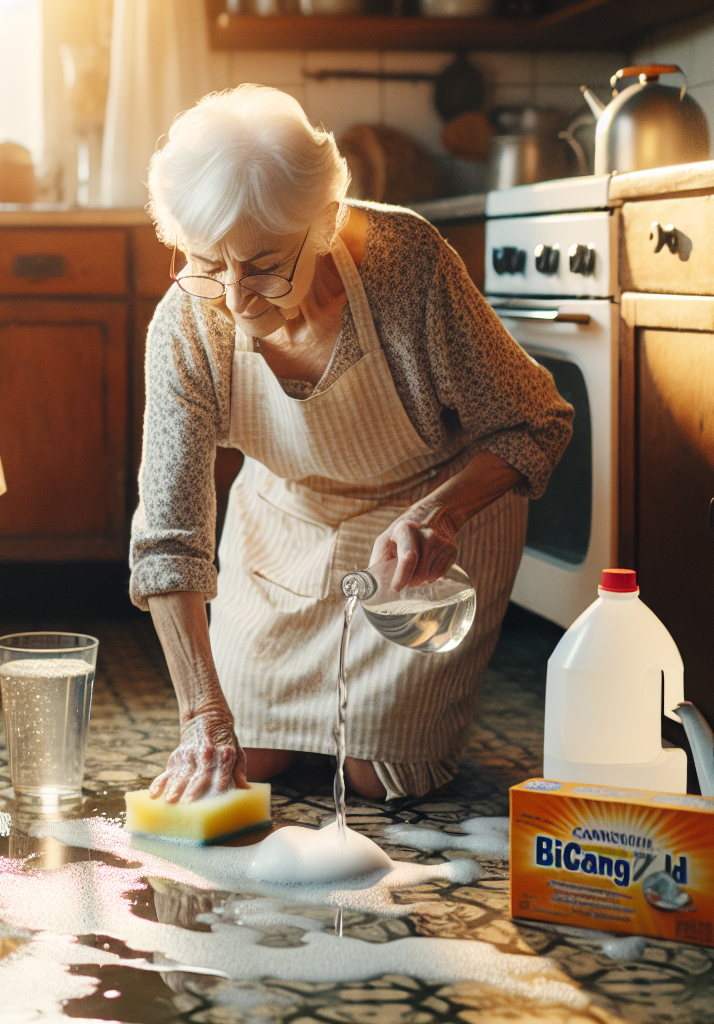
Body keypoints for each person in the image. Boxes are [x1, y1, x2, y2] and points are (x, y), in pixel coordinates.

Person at [131, 85, 573, 805]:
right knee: (249, 758)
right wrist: (202, 717)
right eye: (208, 264)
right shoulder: (186, 320)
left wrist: (444, 513)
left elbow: (537, 421)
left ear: (325, 221)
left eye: (264, 264)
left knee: (383, 776)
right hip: (286, 523)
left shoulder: (408, 266)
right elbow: (168, 538)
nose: (238, 299)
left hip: (423, 531)